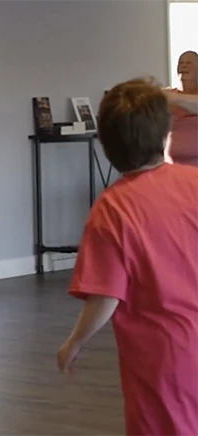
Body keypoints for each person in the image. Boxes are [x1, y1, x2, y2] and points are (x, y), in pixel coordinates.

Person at [56, 77, 198, 435]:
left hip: (162, 357)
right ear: (165, 131)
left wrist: (75, 342)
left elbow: (105, 294)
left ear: (106, 143)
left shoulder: (113, 207)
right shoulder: (193, 182)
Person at [161, 51, 198, 166]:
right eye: (181, 62)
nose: (184, 65)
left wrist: (173, 98)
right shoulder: (167, 95)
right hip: (168, 166)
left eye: (189, 62)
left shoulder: (170, 97)